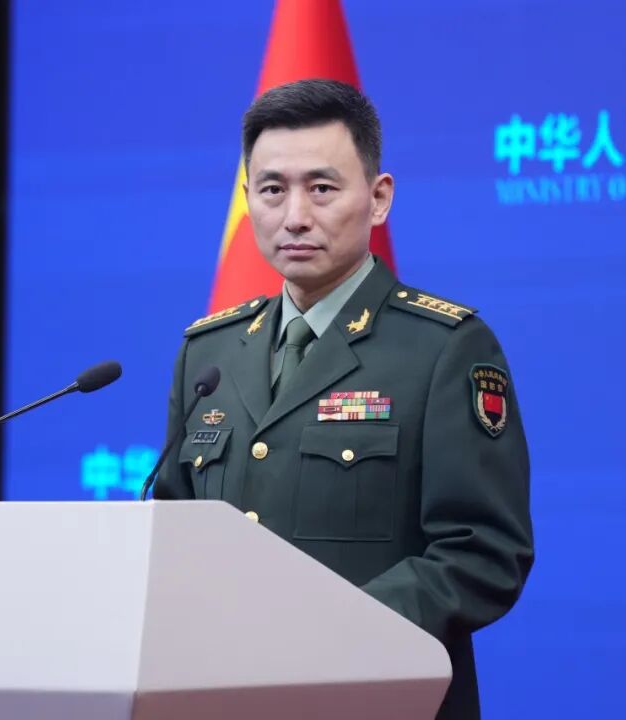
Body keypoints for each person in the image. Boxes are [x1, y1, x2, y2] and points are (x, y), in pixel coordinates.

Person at [154, 78, 533, 719]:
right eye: (272, 190)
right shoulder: (209, 352)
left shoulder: (444, 347)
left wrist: (331, 632)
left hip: (375, 698)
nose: (295, 216)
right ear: (247, 201)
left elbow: (483, 552)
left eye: (322, 188)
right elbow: (173, 534)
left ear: (379, 198)